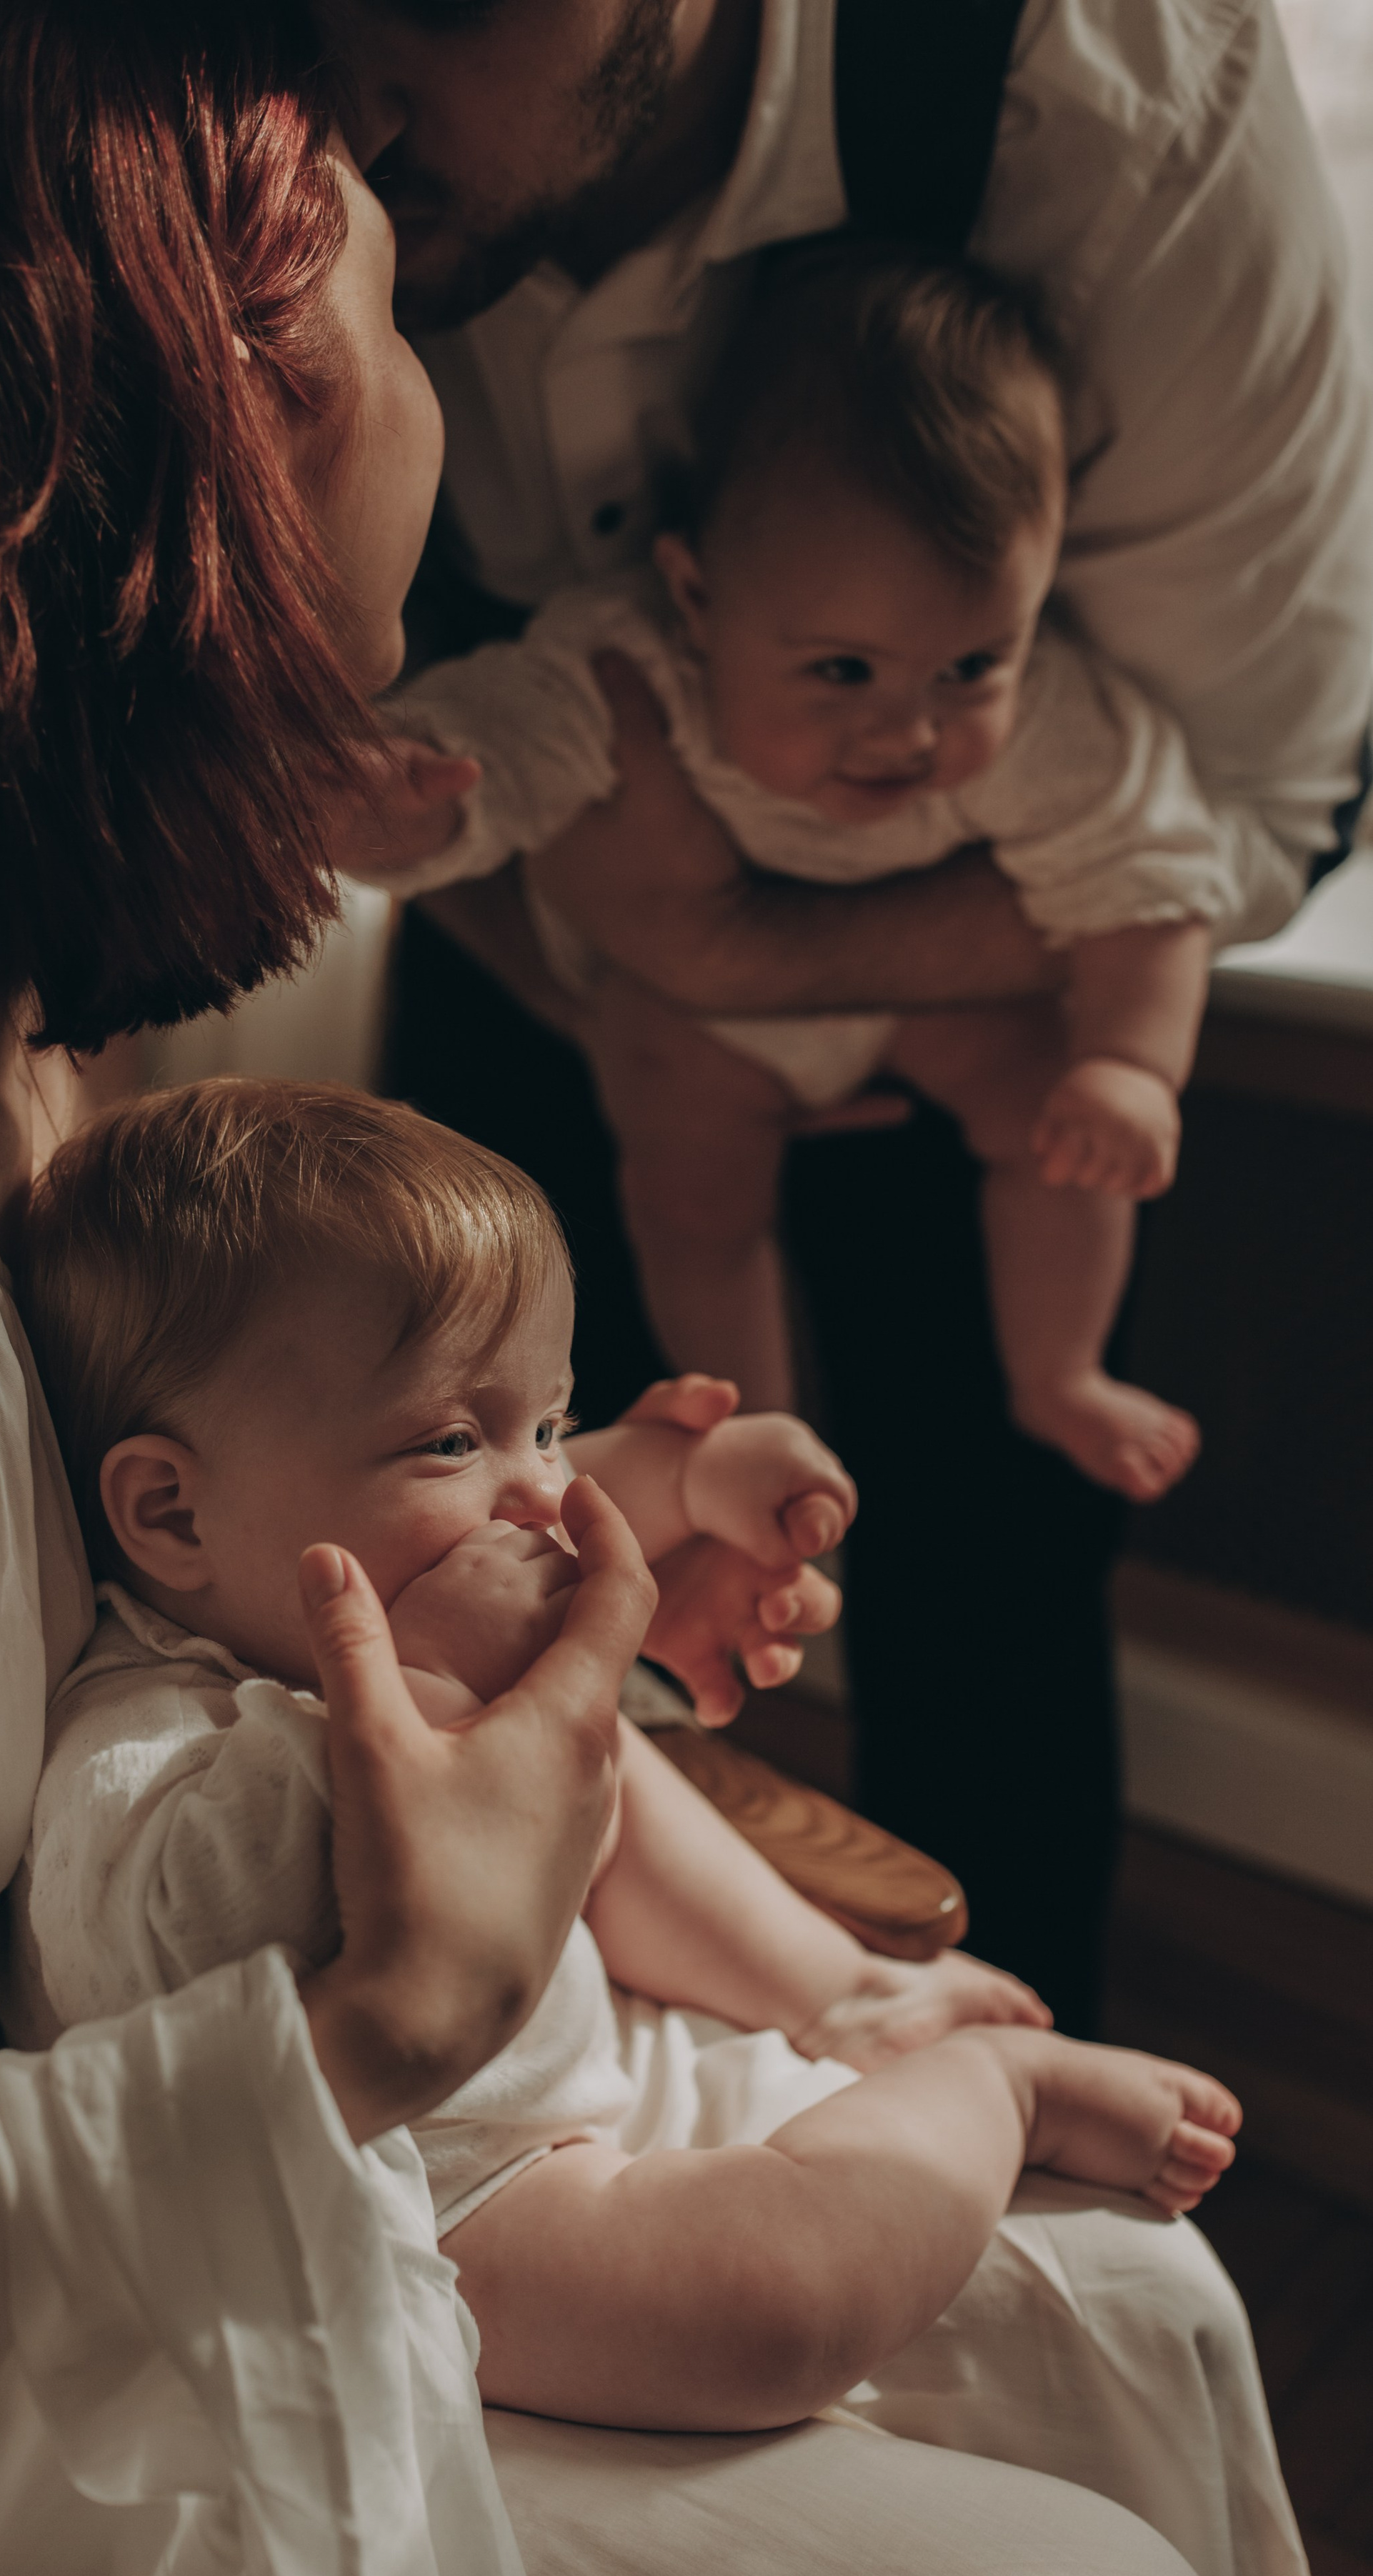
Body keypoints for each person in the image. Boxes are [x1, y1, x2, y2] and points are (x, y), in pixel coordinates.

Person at [0, 1, 1332, 2576]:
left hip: (241, 2167)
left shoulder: (34, 1105)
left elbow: (168, 1637)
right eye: (386, 305)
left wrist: (537, 1513)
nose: (449, 405)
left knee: (1120, 2312)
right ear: (214, 431)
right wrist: (382, 2024)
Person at [329, 0, 1373, 2030]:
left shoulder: (1120, 117)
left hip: (970, 1024)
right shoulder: (284, 135)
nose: (338, 94)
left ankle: (1010, 2142)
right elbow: (453, 753)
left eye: (434, 7)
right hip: (543, 1007)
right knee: (483, 1585)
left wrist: (728, 957)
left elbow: (1243, 813)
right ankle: (547, 2105)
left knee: (987, 1623)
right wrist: (573, 945)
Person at [14, 1073, 1260, 2431]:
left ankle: (838, 1988)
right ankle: (998, 2093)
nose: (546, 1491)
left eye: (544, 1421)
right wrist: (452, 1681)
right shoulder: (143, 1753)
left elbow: (517, 1493)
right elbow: (182, 1936)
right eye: (453, 1438)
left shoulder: (312, 1553)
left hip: (553, 2068)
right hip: (453, 2188)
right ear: (170, 1512)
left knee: (588, 1736)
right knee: (769, 2311)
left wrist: (691, 1475)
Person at [346, 247, 1227, 1499]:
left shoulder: (1052, 725)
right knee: (692, 1202)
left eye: (972, 665)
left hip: (922, 1004)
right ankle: (742, 1439)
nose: (910, 733)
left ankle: (1061, 1371)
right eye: (843, 673)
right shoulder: (629, 663)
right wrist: (400, 799)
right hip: (695, 1024)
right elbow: (502, 755)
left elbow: (1153, 875)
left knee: (1052, 1110)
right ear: (696, 598)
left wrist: (1134, 1065)